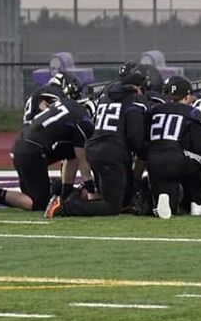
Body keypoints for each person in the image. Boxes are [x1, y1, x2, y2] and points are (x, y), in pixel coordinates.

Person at [45, 68, 150, 218]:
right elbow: (134, 136)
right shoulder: (135, 100)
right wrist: (145, 150)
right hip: (111, 152)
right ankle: (65, 207)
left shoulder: (106, 96)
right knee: (111, 206)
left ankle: (72, 195)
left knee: (116, 194)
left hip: (94, 148)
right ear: (137, 87)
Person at [145, 76, 201, 219]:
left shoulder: (154, 110)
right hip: (175, 159)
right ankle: (197, 204)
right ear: (187, 95)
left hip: (153, 161)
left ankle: (162, 200)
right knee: (199, 159)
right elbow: (199, 144)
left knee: (171, 207)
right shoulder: (192, 112)